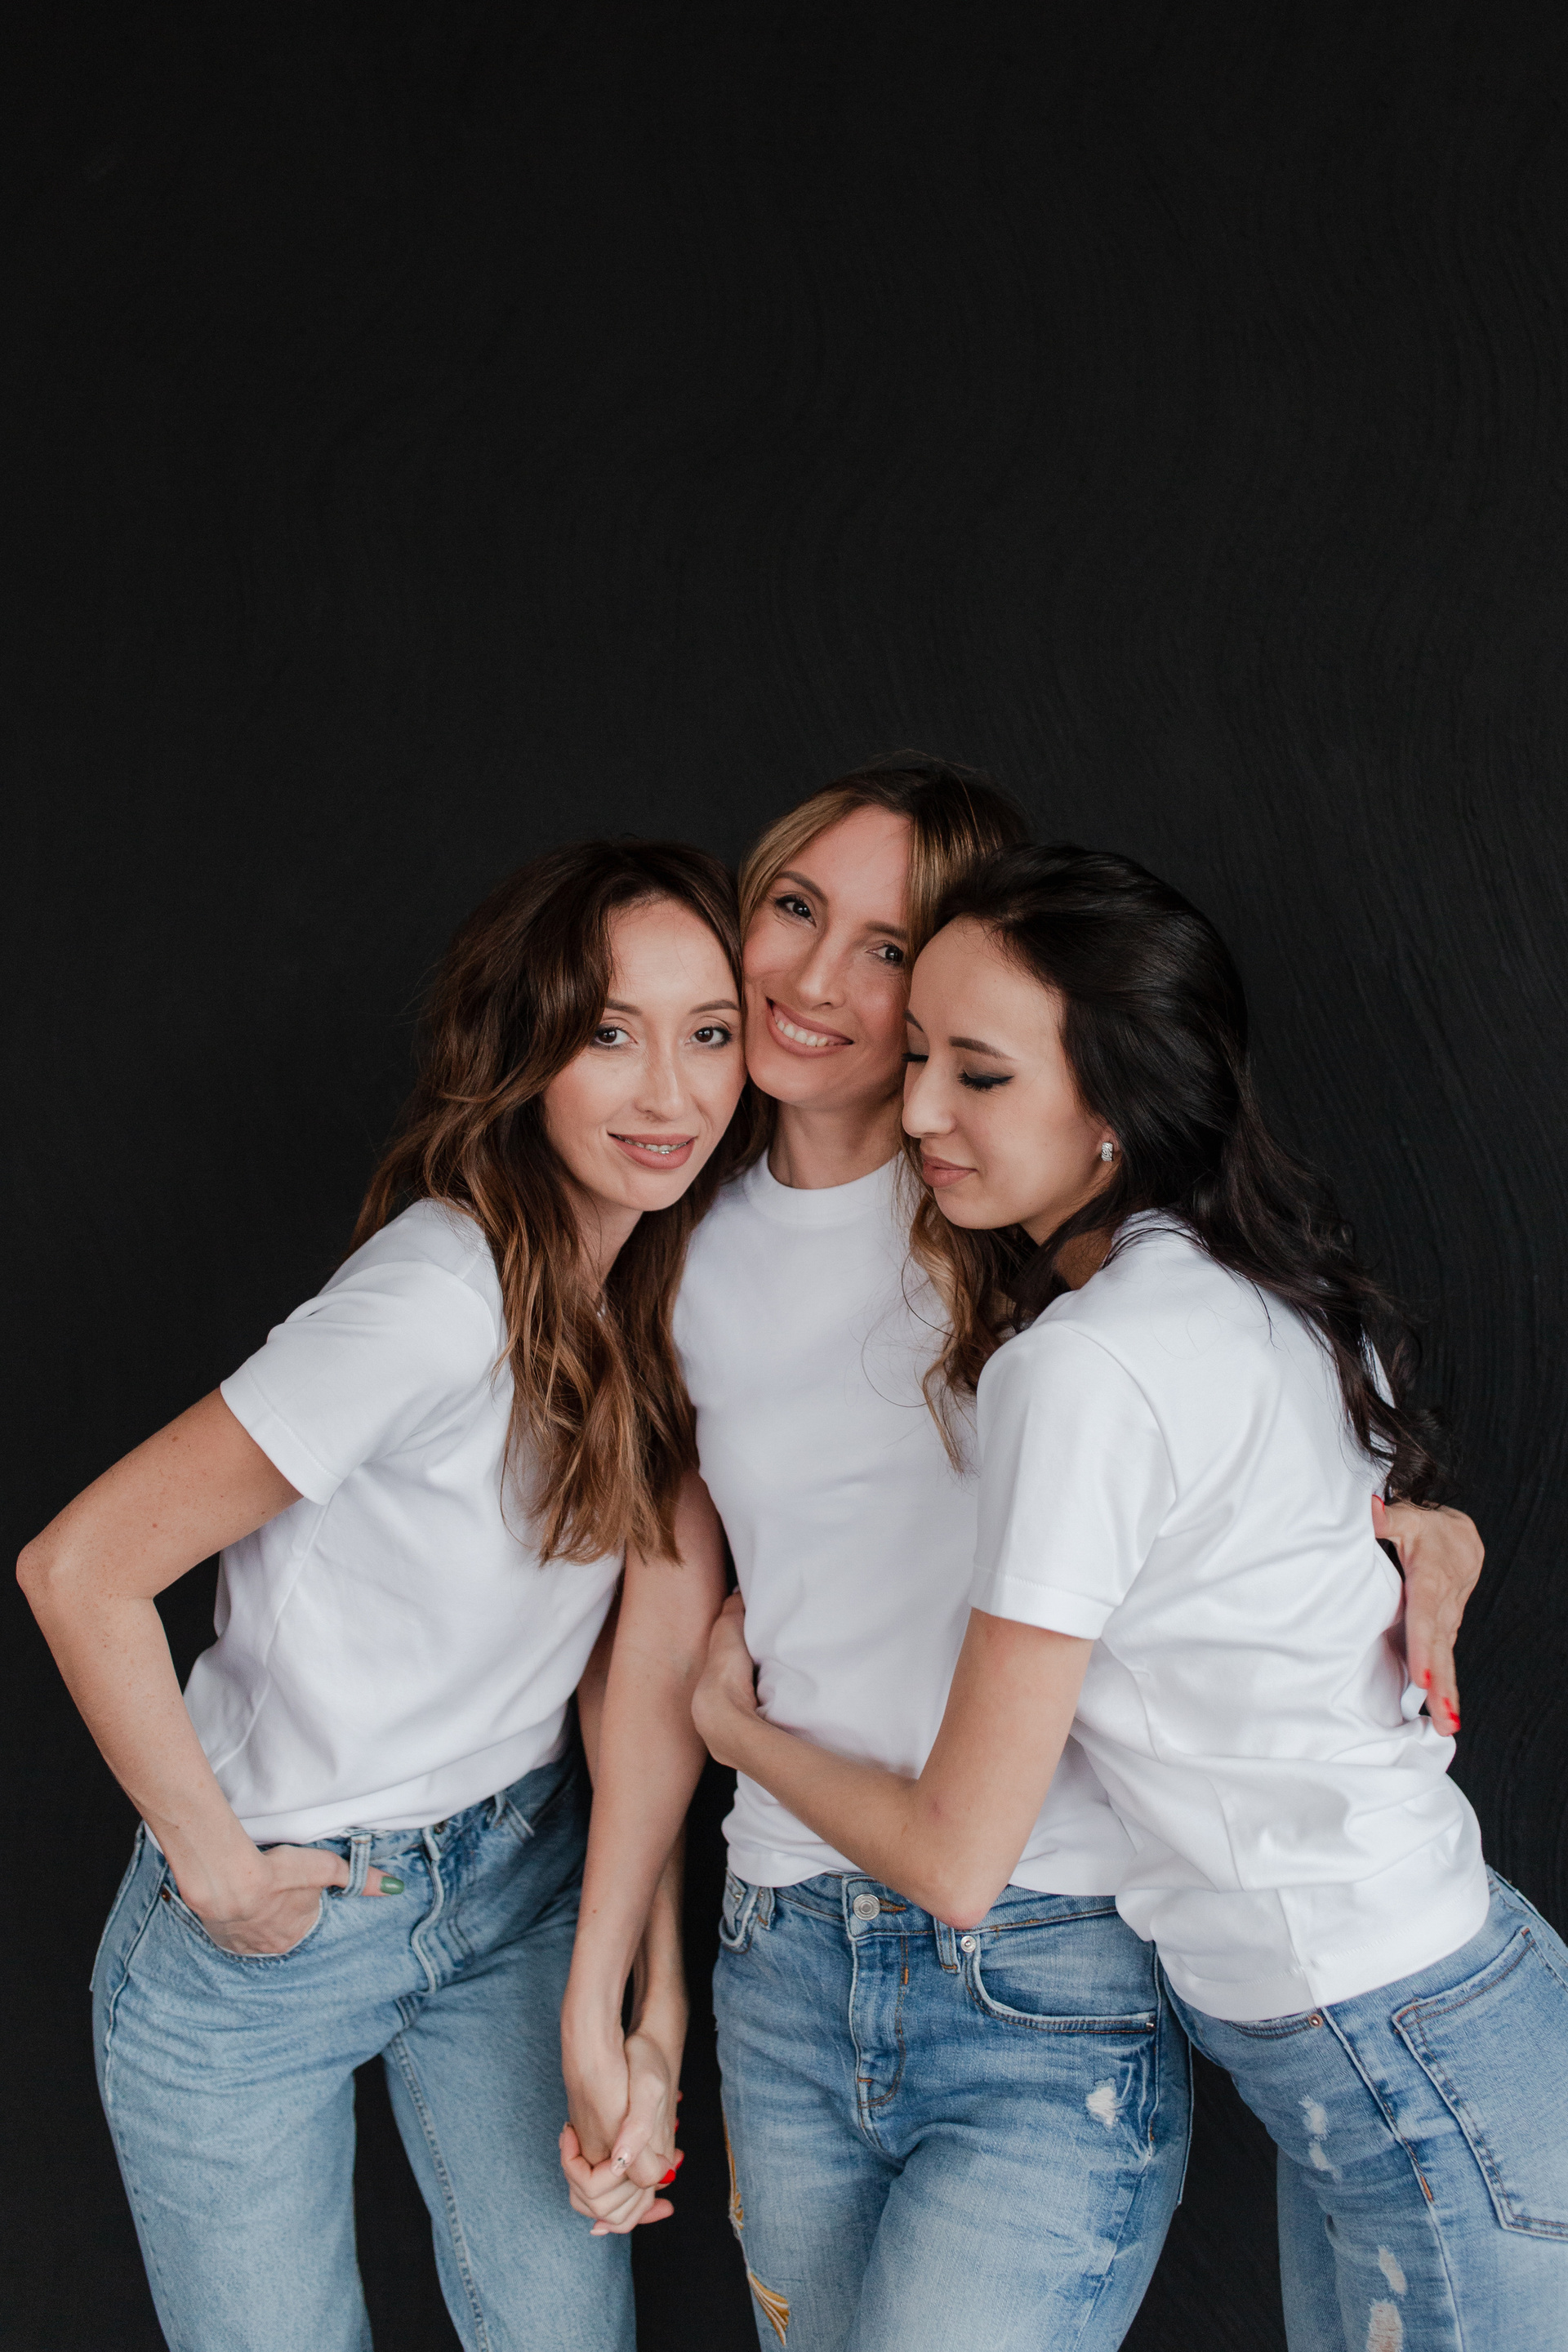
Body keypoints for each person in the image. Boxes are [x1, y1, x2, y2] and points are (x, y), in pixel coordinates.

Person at [557, 764, 1486, 2352]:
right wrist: (620, 1998)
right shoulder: (675, 1243)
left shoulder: (1030, 1233)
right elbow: (663, 1631)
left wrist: (1422, 1534)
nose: (813, 979)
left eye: (885, 947)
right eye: (794, 909)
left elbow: (1279, 1423)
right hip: (783, 1951)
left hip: (1046, 1957)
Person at [18, 840, 751, 2352]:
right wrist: (221, 1875)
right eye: (611, 1034)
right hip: (279, 1934)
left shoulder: (653, 1291)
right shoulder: (435, 1297)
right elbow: (77, 1568)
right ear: (527, 1050)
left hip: (515, 1879)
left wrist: (648, 2008)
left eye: (710, 1033)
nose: (671, 1093)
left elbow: (642, 1679)